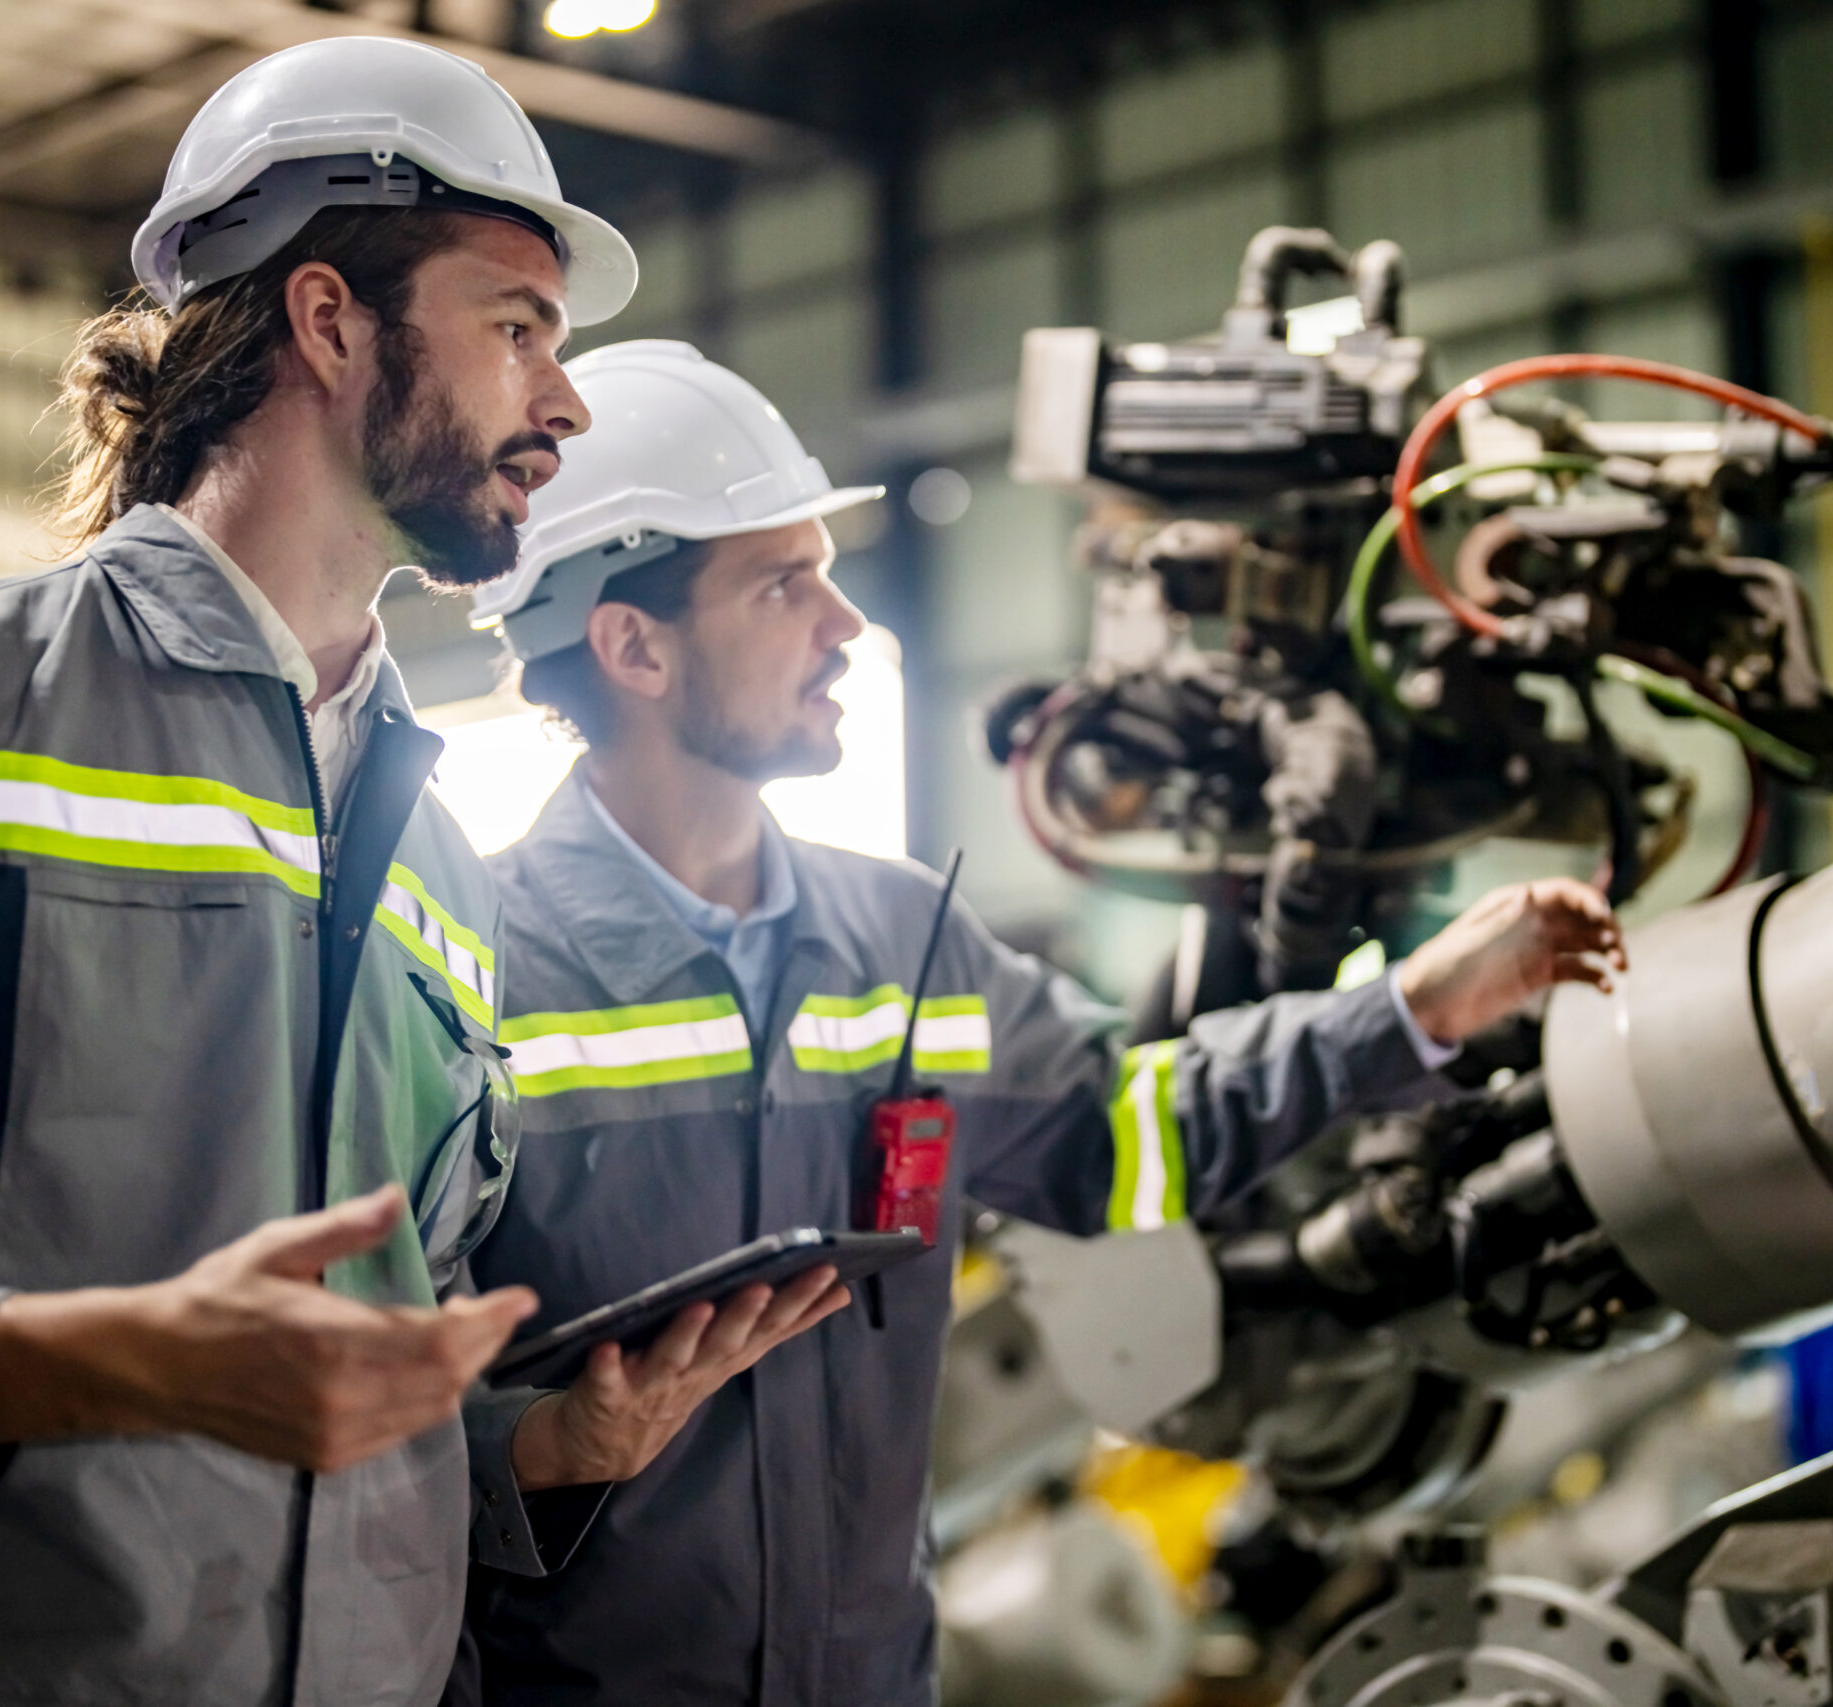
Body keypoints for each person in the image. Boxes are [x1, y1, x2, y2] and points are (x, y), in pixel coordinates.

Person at [0, 43, 840, 1707]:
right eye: (516, 328)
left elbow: (364, 1372)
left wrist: (537, 1442)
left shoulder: (438, 848)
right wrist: (99, 1365)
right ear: (329, 320)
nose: (566, 404)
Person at [458, 339, 1627, 1705]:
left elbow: (1115, 1135)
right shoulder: (470, 974)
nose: (844, 624)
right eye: (782, 585)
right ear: (632, 646)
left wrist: (1412, 1010)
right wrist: (533, 1446)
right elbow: (342, 1401)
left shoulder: (903, 943)